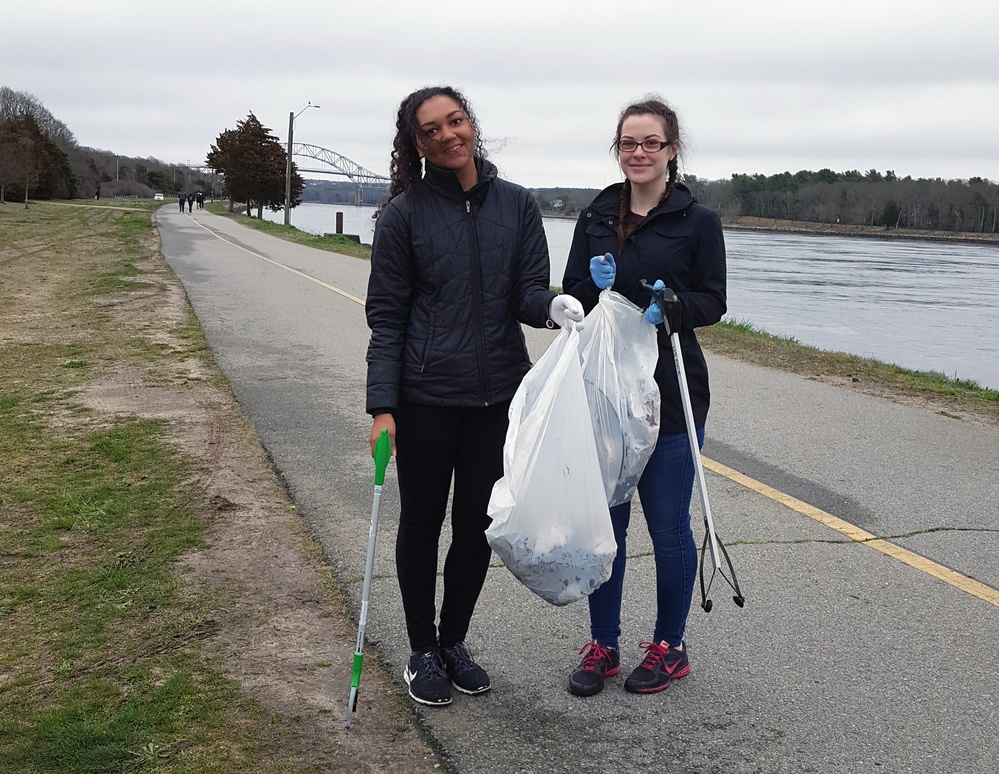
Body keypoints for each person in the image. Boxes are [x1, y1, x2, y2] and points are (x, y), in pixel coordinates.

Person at [364, 85, 583, 707]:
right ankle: (420, 649)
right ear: (416, 144)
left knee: (475, 527)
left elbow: (525, 292)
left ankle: (454, 642)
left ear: (472, 124)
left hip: (497, 401)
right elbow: (388, 319)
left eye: (454, 121)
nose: (446, 136)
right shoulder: (404, 216)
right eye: (430, 130)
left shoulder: (516, 206)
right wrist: (383, 408)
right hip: (426, 398)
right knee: (422, 523)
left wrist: (552, 307)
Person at [561, 95, 726, 696]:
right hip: (606, 392)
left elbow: (713, 299)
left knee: (668, 527)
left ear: (670, 150)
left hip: (672, 393)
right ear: (618, 148)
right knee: (608, 522)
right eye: (628, 142)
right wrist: (587, 285)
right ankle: (603, 644)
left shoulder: (697, 221)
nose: (638, 152)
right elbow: (574, 296)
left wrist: (673, 306)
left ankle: (669, 646)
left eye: (650, 142)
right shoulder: (595, 215)